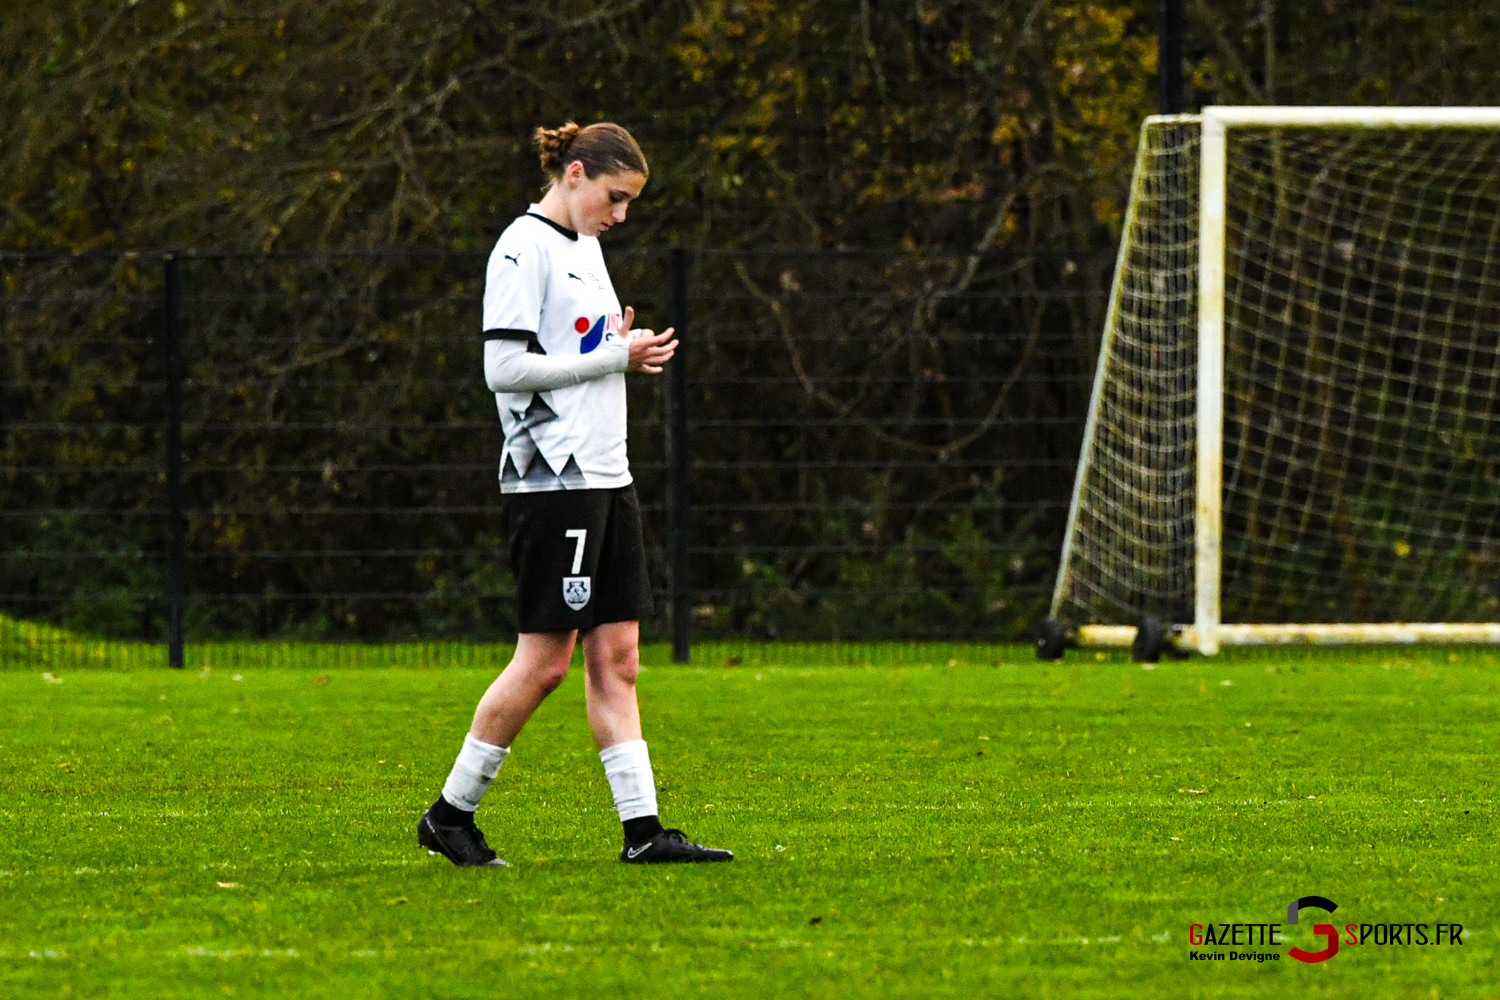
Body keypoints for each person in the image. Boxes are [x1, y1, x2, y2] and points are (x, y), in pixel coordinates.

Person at [417, 121, 732, 867]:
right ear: (577, 174)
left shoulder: (586, 247)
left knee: (619, 656)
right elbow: (504, 369)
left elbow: (582, 352)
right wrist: (609, 358)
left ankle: (644, 832)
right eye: (615, 198)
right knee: (546, 661)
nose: (619, 216)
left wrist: (619, 348)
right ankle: (448, 815)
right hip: (551, 482)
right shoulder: (521, 249)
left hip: (606, 474)